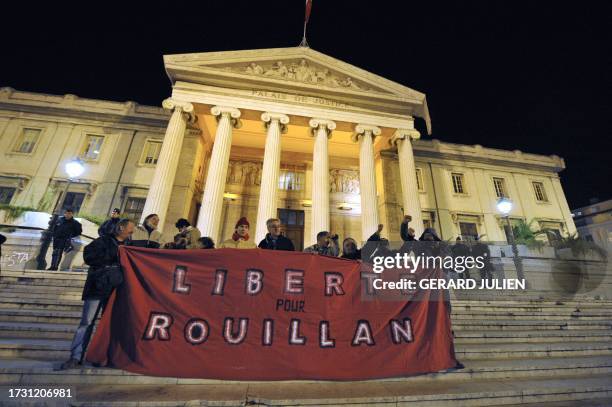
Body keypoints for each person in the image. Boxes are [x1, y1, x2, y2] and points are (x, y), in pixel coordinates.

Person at [58, 218, 135, 370]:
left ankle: (102, 356)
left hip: (115, 289)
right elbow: (88, 257)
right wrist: (113, 260)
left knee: (108, 324)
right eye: (130, 229)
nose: (132, 232)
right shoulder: (103, 241)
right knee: (87, 322)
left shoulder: (129, 246)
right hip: (97, 286)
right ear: (121, 228)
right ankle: (75, 357)